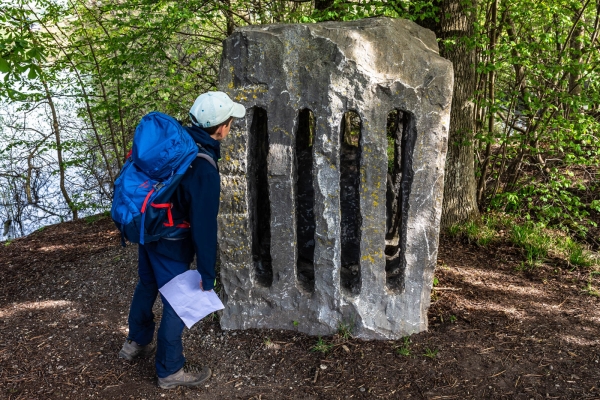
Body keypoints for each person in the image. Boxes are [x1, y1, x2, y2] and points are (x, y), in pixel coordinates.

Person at [118, 91, 246, 389]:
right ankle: (170, 370)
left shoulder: (175, 145)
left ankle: (135, 342)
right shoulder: (203, 167)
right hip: (172, 241)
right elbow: (203, 227)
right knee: (178, 302)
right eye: (229, 122)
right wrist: (207, 272)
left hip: (147, 230)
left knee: (147, 283)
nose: (230, 127)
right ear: (221, 127)